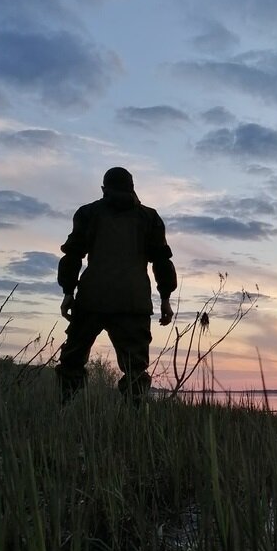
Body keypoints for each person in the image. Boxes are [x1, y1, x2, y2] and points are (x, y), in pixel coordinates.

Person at [55, 167, 177, 404]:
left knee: (72, 362)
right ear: (132, 188)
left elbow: (72, 255)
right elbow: (162, 260)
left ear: (103, 189)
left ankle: (65, 413)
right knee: (135, 371)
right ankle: (135, 423)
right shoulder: (149, 217)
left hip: (92, 299)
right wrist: (165, 298)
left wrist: (68, 292)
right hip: (133, 304)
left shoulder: (88, 213)